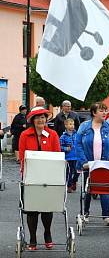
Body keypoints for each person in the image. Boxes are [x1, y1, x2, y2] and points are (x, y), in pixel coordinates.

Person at [18, 106, 61, 250]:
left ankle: (47, 234)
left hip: (49, 176)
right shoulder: (25, 135)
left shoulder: (53, 134)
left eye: (43, 117)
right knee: (32, 209)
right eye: (38, 118)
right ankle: (32, 238)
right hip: (30, 176)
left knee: (47, 208)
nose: (41, 120)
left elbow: (57, 156)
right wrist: (25, 173)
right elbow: (23, 156)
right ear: (32, 120)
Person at [76, 103, 109, 225]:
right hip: (88, 164)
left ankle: (107, 215)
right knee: (88, 189)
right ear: (94, 113)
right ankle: (85, 213)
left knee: (105, 188)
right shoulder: (84, 127)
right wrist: (84, 162)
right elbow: (78, 144)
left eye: (105, 110)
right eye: (101, 110)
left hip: (105, 164)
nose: (104, 113)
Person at [60, 117, 80, 192]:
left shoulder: (77, 134)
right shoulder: (63, 137)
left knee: (77, 171)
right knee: (69, 172)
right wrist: (65, 149)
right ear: (66, 125)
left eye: (73, 124)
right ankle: (69, 186)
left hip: (77, 157)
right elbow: (59, 146)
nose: (72, 126)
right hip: (68, 157)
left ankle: (74, 181)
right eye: (70, 124)